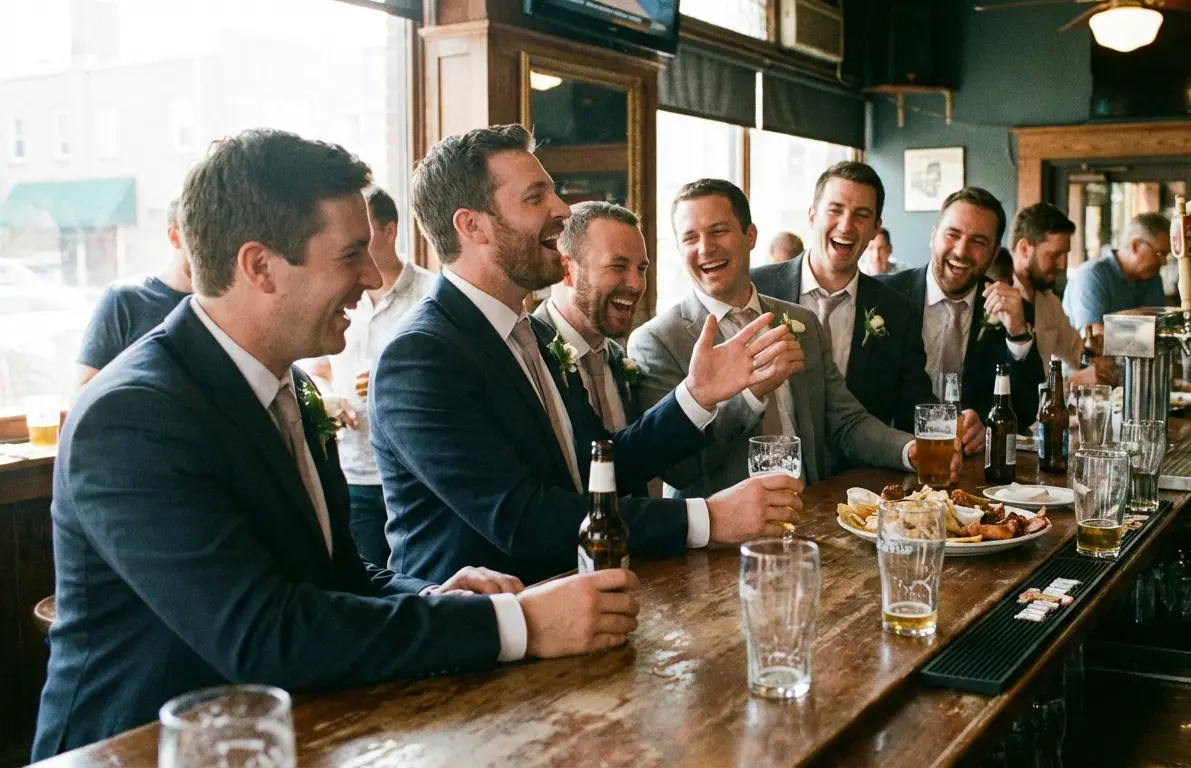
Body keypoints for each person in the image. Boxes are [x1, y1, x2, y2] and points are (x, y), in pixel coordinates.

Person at [34, 130, 644, 761]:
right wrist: (521, 624)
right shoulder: (131, 417)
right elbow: (265, 634)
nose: (372, 276)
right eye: (352, 255)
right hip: (137, 748)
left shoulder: (292, 387)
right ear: (259, 266)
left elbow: (338, 576)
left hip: (287, 732)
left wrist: (427, 595)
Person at [371, 126, 802, 586]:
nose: (561, 209)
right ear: (471, 226)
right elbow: (523, 519)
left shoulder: (532, 334)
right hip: (484, 622)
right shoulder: (420, 356)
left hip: (580, 604)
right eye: (536, 197)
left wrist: (696, 396)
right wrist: (709, 518)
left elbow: (603, 465)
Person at [630, 178, 928, 497]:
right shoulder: (657, 341)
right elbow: (679, 470)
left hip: (810, 511)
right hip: (725, 527)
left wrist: (910, 450)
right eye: (691, 238)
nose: (705, 248)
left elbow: (846, 421)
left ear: (750, 236)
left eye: (718, 231)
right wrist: (750, 395)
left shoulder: (801, 321)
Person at [298, 187, 434, 568]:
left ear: (390, 231)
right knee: (363, 573)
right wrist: (329, 397)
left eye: (364, 241)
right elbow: (320, 370)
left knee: (418, 571)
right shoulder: (339, 297)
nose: (360, 263)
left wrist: (395, 376)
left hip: (414, 472)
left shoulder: (429, 294)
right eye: (349, 248)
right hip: (353, 468)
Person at [750, 161, 932, 433]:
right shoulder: (755, 288)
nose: (846, 226)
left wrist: (955, 424)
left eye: (861, 215)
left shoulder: (898, 312)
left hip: (861, 460)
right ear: (812, 215)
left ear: (875, 228)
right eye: (835, 210)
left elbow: (915, 409)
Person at [877, 187, 1042, 442]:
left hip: (969, 458)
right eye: (952, 235)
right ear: (933, 236)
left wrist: (1018, 333)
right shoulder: (883, 296)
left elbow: (1026, 410)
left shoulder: (1013, 311)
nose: (962, 251)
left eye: (978, 242)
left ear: (994, 253)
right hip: (891, 452)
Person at [533, 201, 644, 436]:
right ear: (565, 270)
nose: (636, 284)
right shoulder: (529, 355)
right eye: (618, 266)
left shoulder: (619, 358)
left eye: (641, 269)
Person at [75, 198, 192, 386]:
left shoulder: (227, 306)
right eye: (203, 235)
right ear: (175, 237)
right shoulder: (124, 300)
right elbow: (83, 393)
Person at [1008, 202, 1110, 386]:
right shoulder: (996, 298)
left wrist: (1093, 355)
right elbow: (1011, 382)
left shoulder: (1048, 300)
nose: (1062, 265)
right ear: (1024, 248)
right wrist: (1076, 380)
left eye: (1065, 255)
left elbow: (1073, 349)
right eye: (1054, 255)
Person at [1062, 212, 1169, 332]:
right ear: (1135, 246)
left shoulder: (1152, 278)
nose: (1164, 262)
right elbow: (1093, 335)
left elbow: (1160, 327)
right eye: (1160, 254)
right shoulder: (1091, 275)